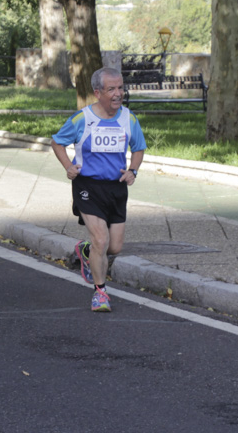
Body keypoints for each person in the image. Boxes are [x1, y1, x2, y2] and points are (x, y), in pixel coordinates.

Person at [51, 67, 146, 312]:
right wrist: (69, 166)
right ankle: (100, 293)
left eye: (120, 88)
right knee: (101, 240)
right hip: (88, 186)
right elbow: (57, 141)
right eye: (111, 89)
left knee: (114, 247)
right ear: (97, 92)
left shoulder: (128, 118)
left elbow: (139, 148)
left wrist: (132, 171)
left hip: (116, 188)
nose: (118, 94)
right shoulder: (82, 119)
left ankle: (85, 250)